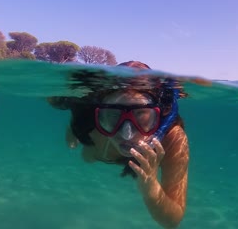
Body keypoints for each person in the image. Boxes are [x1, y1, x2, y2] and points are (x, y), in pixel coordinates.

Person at [48, 61, 189, 228]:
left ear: (158, 117)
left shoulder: (172, 138)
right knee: (86, 154)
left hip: (103, 144)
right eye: (113, 116)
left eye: (141, 115)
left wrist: (151, 186)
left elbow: (172, 221)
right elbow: (52, 97)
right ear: (99, 114)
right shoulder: (86, 112)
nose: (126, 134)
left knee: (89, 154)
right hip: (91, 138)